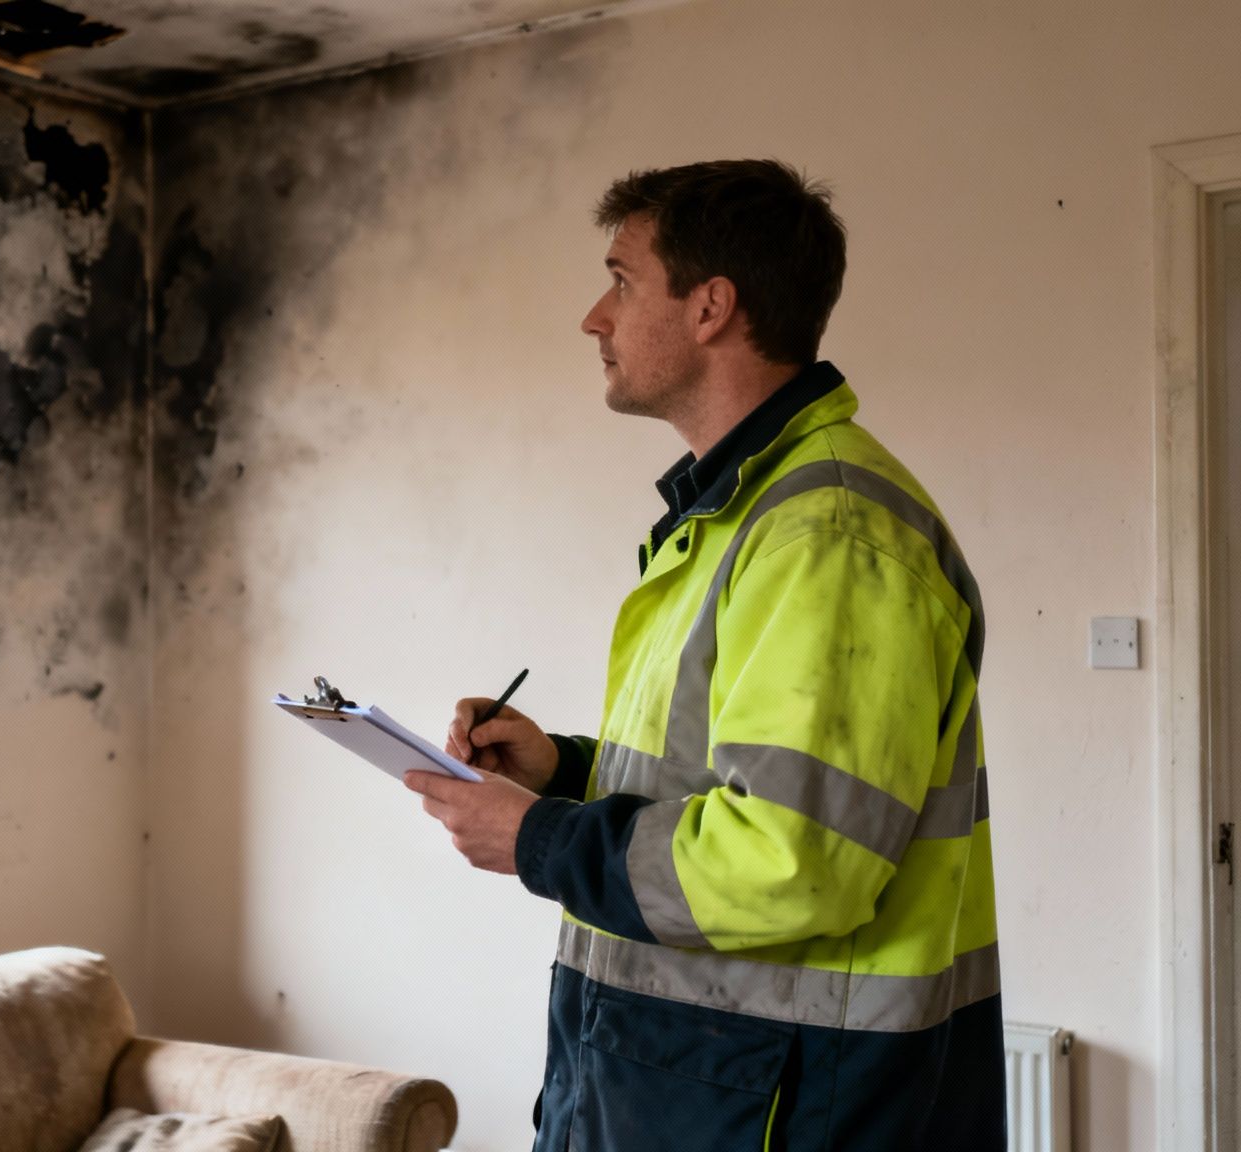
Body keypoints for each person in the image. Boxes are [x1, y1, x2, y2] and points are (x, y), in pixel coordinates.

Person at [403, 160, 1003, 1151]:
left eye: (621, 281)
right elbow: (730, 785)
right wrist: (566, 772)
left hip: (788, 1106)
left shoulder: (826, 535)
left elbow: (793, 861)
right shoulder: (743, 514)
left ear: (710, 307)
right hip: (702, 1089)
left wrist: (541, 839)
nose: (593, 317)